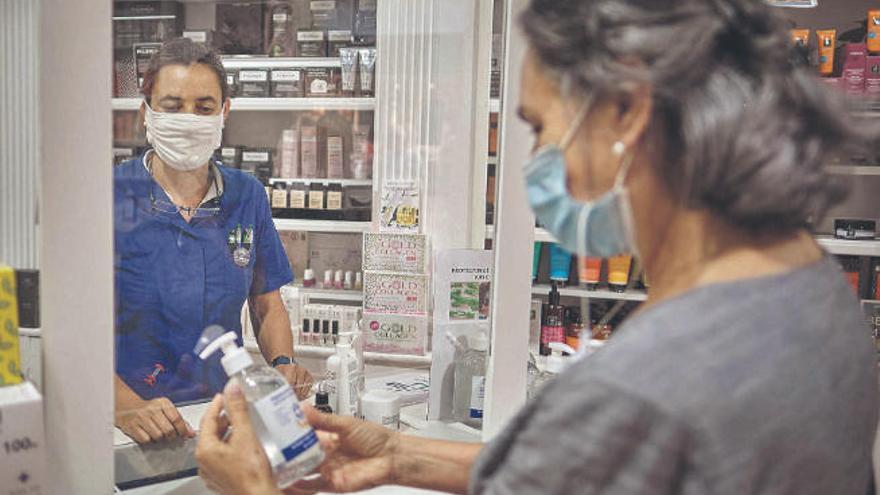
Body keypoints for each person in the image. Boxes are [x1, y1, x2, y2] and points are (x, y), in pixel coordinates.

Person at [196, 0, 879, 493]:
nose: (538, 162)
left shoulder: (644, 387)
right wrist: (401, 454)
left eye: (541, 126)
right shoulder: (809, 289)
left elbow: (622, 431)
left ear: (627, 110)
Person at [114, 38, 313, 445]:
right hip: (131, 422)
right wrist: (124, 405)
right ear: (146, 112)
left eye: (204, 107)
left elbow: (266, 301)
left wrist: (283, 362)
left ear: (224, 112)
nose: (189, 119)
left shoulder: (247, 195)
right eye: (172, 106)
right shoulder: (110, 196)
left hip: (221, 414)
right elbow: (72, 331)